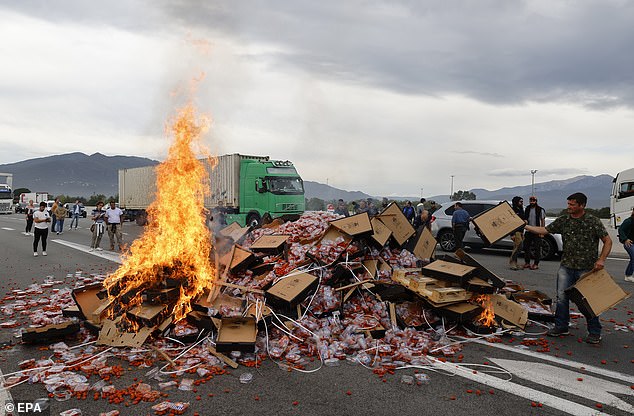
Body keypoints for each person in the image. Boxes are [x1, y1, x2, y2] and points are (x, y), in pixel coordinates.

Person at [524, 192, 612, 344]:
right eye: (568, 204)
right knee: (562, 298)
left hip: (586, 269)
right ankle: (561, 326)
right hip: (566, 266)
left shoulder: (592, 221)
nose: (569, 207)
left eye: (572, 205)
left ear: (582, 205)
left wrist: (601, 260)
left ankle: (595, 331)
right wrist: (525, 226)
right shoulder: (564, 220)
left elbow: (608, 241)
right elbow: (544, 230)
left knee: (587, 301)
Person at [523, 196, 546, 270]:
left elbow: (542, 220)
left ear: (536, 201)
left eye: (533, 201)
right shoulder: (527, 208)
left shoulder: (540, 209)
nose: (532, 202)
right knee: (526, 247)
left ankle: (536, 264)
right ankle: (527, 263)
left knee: (537, 247)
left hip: (537, 230)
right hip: (528, 230)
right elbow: (525, 218)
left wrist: (542, 231)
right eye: (531, 201)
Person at [509, 196, 526, 270]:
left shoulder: (521, 210)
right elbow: (510, 223)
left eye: (522, 201)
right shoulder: (512, 211)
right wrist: (512, 234)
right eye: (520, 201)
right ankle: (512, 262)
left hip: (521, 231)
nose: (522, 203)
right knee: (518, 246)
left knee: (518, 247)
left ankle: (515, 263)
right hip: (516, 232)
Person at [617, 207, 634, 283]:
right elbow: (621, 229)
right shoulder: (629, 221)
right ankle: (628, 276)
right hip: (629, 243)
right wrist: (625, 239)